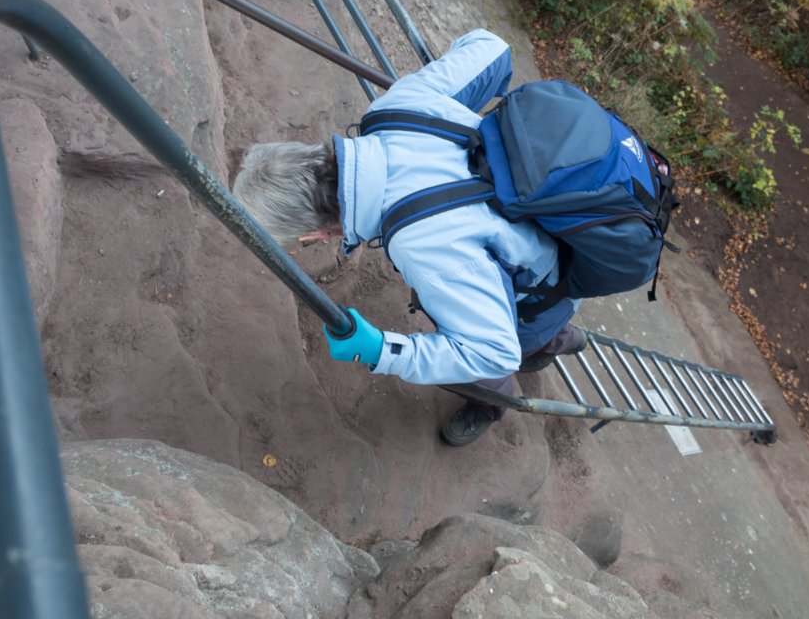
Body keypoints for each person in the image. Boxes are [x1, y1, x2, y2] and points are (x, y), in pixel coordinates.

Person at [232, 29, 586, 446]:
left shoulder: (423, 247)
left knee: (490, 353)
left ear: (315, 233)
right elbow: (493, 50)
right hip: (556, 239)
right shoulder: (396, 108)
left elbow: (494, 351)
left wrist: (384, 351)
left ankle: (492, 402)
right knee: (535, 322)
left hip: (536, 291)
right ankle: (565, 339)